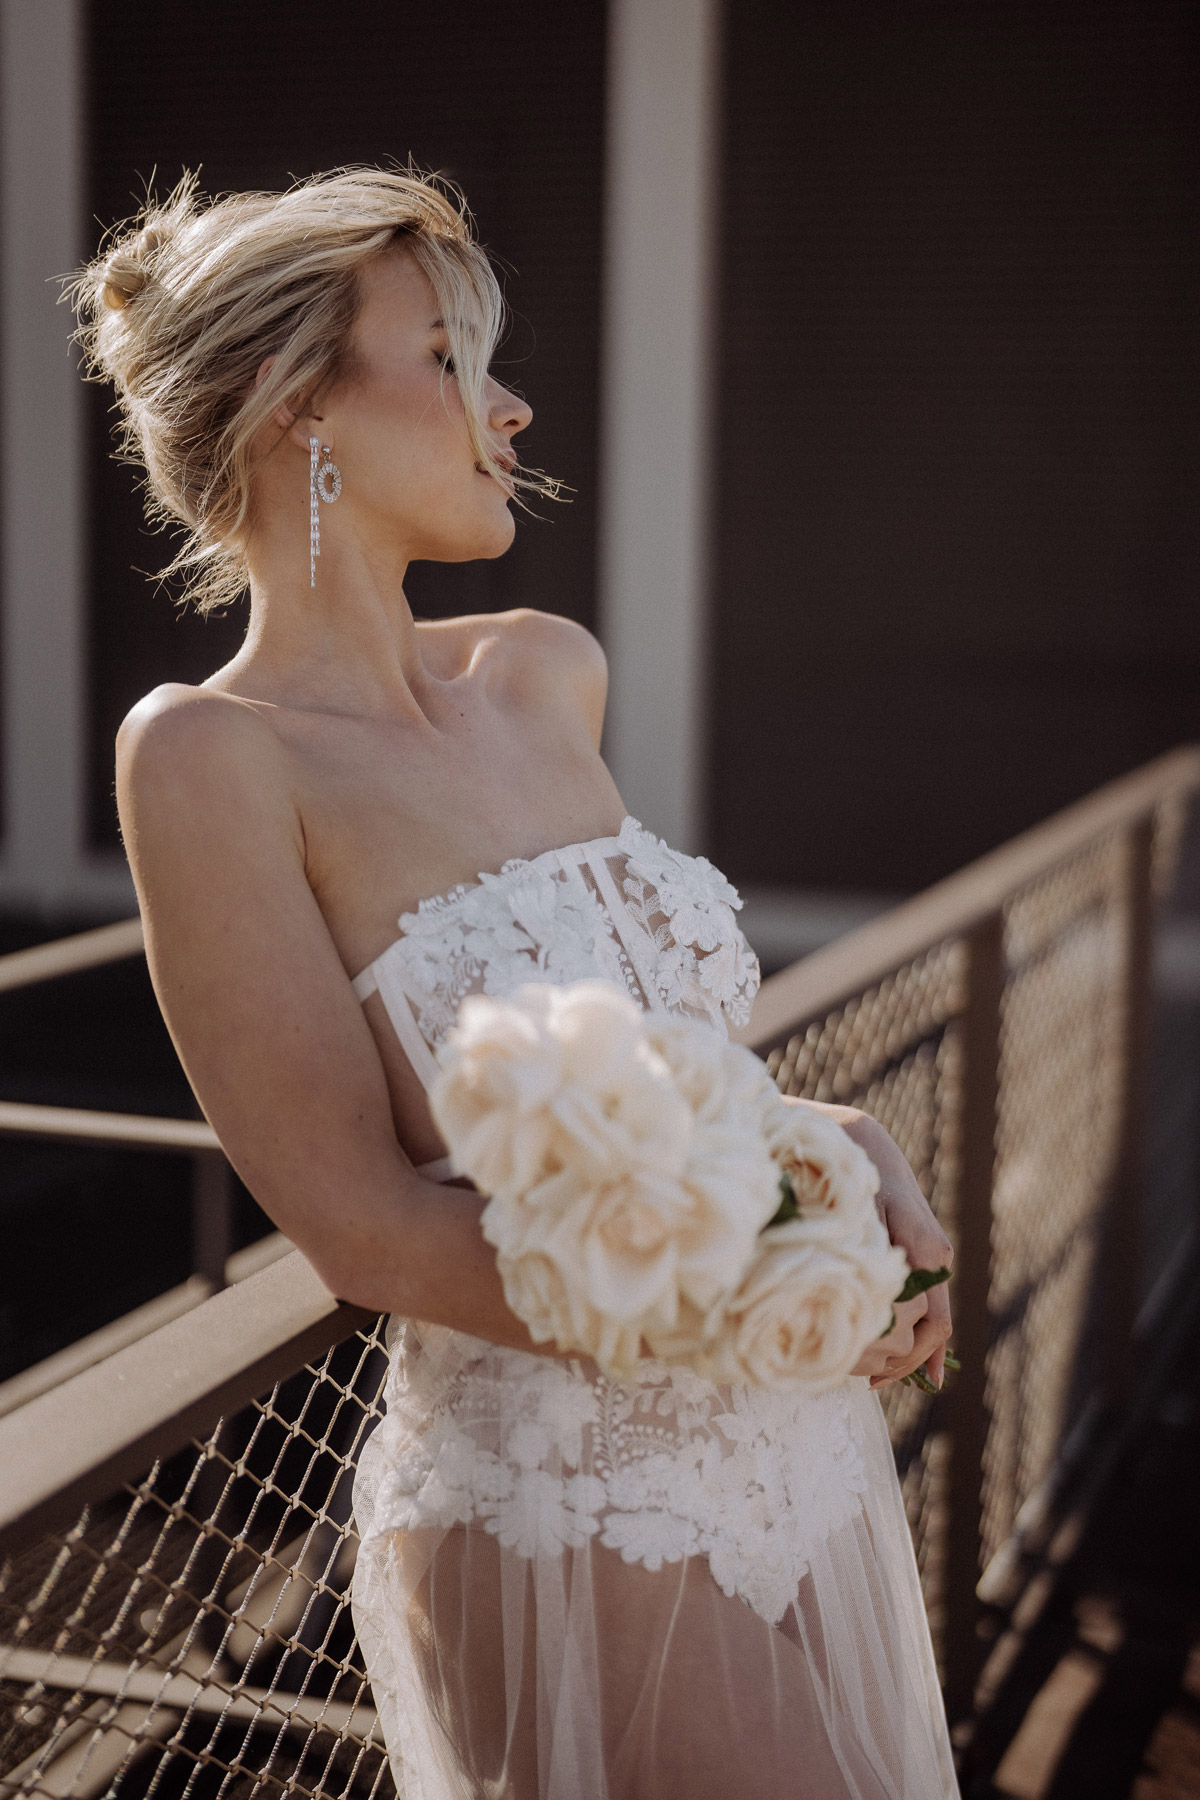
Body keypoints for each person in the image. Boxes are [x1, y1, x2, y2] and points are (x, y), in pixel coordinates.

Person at [74, 167, 959, 1799]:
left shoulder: (544, 672)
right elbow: (359, 1223)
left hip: (802, 1458)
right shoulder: (206, 758)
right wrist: (761, 1288)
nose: (511, 402)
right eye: (449, 355)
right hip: (565, 1510)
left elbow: (662, 1075)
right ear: (297, 411)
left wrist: (834, 1158)